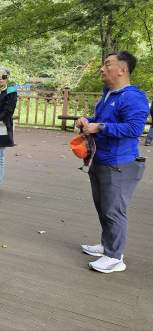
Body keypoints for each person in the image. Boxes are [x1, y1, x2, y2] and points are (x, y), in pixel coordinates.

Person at [76, 51, 149, 273]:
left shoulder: (133, 97)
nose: (102, 68)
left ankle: (115, 257)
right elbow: (102, 121)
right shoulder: (108, 94)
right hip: (100, 159)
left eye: (107, 64)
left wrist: (99, 127)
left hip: (119, 163)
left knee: (114, 210)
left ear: (122, 69)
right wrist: (87, 121)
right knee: (103, 207)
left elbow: (135, 129)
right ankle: (106, 246)